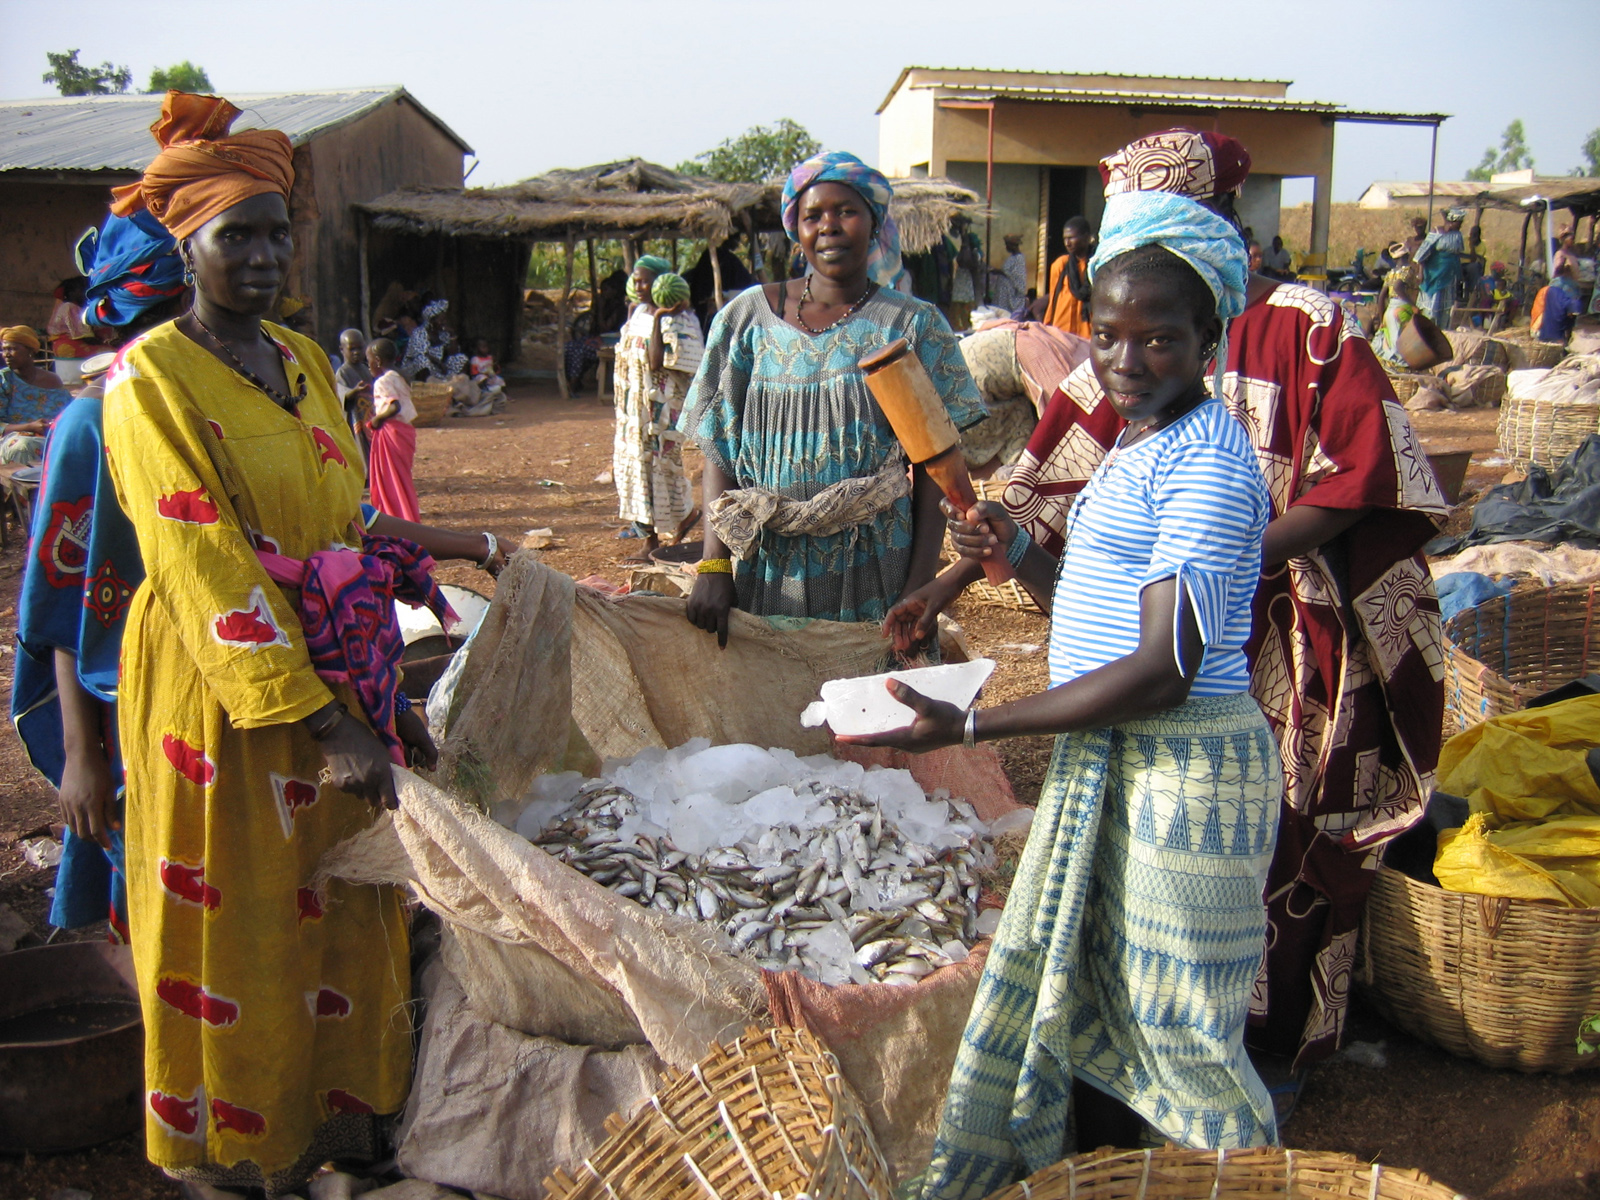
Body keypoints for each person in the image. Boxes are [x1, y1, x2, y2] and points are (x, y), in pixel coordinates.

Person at [888, 128, 1449, 1099]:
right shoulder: (1135, 346)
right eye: (1109, 331)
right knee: (1167, 900)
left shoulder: (1308, 328)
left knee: (1293, 812)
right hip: (1178, 641)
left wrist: (1233, 562)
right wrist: (950, 581)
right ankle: (1168, 1061)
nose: (1125, 354)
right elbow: (1043, 476)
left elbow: (1365, 475)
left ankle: (1261, 1044)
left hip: (1293, 617)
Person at [851, 184, 1278, 1197]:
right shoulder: (1137, 446)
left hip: (1183, 773)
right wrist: (1013, 560)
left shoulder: (1209, 467)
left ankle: (1246, 1181)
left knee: (1183, 1034)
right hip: (1120, 752)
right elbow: (1088, 609)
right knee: (1109, 1004)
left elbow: (1163, 670)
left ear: (1209, 337)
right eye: (1108, 337)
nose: (1126, 364)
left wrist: (971, 723)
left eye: (1159, 340)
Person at [101, 91, 444, 1197]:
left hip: (338, 675)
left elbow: (344, 522)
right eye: (231, 235)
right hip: (226, 692)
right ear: (186, 243)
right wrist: (320, 714)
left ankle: (334, 1124)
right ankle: (237, 1153)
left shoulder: (301, 360)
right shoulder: (146, 379)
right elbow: (204, 562)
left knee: (342, 901)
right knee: (239, 915)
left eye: (272, 231)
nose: (258, 254)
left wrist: (446, 567)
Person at [681, 150, 984, 646]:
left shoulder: (912, 325)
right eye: (813, 215)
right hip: (767, 565)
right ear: (794, 228)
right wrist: (714, 564)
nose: (830, 226)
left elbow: (936, 467)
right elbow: (720, 446)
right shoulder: (747, 319)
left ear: (874, 220)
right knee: (776, 706)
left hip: (873, 561)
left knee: (868, 708)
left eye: (846, 211)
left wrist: (919, 585)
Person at [613, 258, 704, 557]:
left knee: (662, 469)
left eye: (646, 281)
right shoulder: (637, 311)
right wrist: (638, 313)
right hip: (634, 412)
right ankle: (650, 539)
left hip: (661, 414)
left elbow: (656, 362)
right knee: (635, 471)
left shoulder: (680, 319)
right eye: (636, 280)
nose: (639, 287)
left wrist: (660, 316)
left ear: (662, 281)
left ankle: (681, 518)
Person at [366, 337, 421, 522]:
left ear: (378, 361)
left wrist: (376, 419)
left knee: (392, 480)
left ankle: (397, 518)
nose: (369, 366)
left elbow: (393, 406)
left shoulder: (382, 382)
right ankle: (407, 514)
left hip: (392, 431)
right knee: (402, 479)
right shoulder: (400, 377)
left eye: (369, 362)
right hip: (404, 432)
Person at [0, 326, 73, 460]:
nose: (6, 354)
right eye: (4, 350)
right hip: (14, 438)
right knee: (23, 446)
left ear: (30, 351)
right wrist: (30, 427)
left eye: (12, 349)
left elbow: (68, 413)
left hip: (51, 435)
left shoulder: (52, 380)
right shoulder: (4, 379)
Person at [1042, 217, 1094, 337]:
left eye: (1071, 238)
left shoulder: (1098, 264)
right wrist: (1047, 327)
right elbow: (1053, 300)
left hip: (1088, 331)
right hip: (1062, 329)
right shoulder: (1060, 265)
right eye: (1065, 238)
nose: (1067, 243)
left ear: (1086, 237)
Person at [1414, 208, 1466, 327]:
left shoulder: (1457, 235)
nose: (1461, 226)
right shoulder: (1437, 232)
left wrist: (1459, 273)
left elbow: (1457, 254)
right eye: (1459, 223)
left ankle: (1442, 328)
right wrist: (1421, 273)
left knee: (1446, 307)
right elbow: (1422, 254)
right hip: (1435, 272)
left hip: (1449, 273)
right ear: (1452, 221)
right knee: (1433, 306)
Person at [1371, 266, 1420, 364]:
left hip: (1389, 310)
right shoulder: (1407, 270)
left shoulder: (1391, 273)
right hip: (1401, 310)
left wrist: (1382, 320)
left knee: (1390, 343)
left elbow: (1381, 297)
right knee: (1401, 345)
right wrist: (1412, 305)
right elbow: (1397, 287)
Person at [333, 328, 372, 446]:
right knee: (360, 448)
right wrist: (355, 391)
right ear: (342, 349)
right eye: (352, 349)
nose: (356, 352)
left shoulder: (366, 369)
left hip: (369, 416)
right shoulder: (343, 372)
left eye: (360, 348)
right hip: (355, 418)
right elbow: (342, 395)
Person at [1539, 262, 1583, 343]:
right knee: (1570, 318)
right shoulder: (1572, 284)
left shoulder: (1552, 283)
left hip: (1547, 312)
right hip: (1562, 311)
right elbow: (1574, 301)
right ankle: (1566, 339)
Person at [990, 233, 1030, 317]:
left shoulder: (1019, 258)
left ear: (1013, 246)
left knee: (1006, 314)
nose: (1006, 247)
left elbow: (1017, 276)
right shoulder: (1012, 257)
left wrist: (999, 272)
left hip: (1009, 294)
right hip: (1003, 292)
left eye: (1007, 245)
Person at [469, 337, 506, 409]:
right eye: (482, 347)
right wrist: (483, 374)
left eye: (486, 347)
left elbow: (496, 370)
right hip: (479, 376)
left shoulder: (490, 358)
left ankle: (505, 394)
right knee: (482, 378)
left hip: (490, 376)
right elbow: (473, 373)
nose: (485, 349)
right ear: (477, 348)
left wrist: (495, 362)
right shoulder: (475, 359)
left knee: (500, 380)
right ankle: (485, 391)